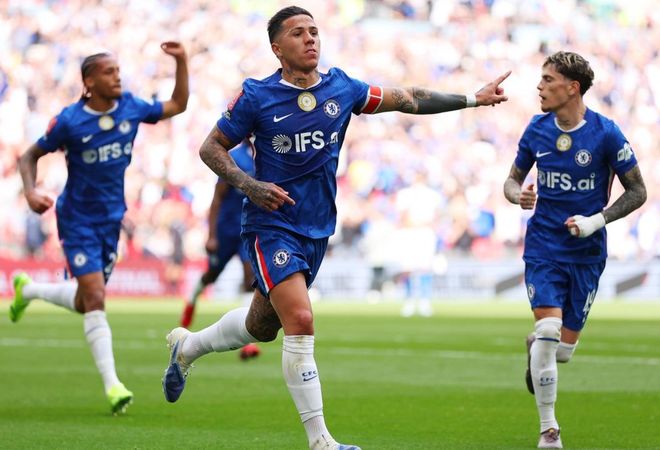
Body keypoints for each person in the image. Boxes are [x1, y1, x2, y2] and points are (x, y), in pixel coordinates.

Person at [162, 6, 509, 450]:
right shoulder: (256, 96)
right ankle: (321, 440)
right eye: (298, 33)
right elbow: (211, 147)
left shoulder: (341, 88)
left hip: (317, 228)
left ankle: (188, 347)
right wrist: (250, 186)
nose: (310, 39)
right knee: (301, 319)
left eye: (314, 31)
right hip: (271, 225)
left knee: (261, 326)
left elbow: (408, 97)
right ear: (277, 48)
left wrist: (471, 99)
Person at [11, 42, 189, 414]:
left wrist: (181, 61)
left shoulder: (131, 108)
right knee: (95, 298)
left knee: (85, 300)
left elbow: (177, 105)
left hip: (111, 219)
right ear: (89, 82)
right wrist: (30, 191)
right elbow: (29, 155)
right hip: (77, 219)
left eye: (118, 70)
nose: (117, 77)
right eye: (109, 72)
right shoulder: (69, 121)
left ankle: (28, 290)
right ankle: (113, 386)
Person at [503, 51, 647, 448]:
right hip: (544, 246)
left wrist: (596, 220)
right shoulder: (536, 129)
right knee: (549, 331)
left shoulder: (606, 133)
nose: (539, 87)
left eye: (548, 80)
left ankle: (536, 347)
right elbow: (511, 181)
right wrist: (518, 195)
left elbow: (638, 191)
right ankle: (549, 430)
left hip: (587, 252)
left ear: (572, 88)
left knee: (561, 351)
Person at [180, 139, 261, 360]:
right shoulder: (236, 158)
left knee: (250, 278)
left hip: (248, 230)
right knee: (212, 274)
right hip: (226, 231)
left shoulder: (267, 157)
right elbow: (217, 199)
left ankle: (249, 342)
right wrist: (211, 235)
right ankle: (191, 302)